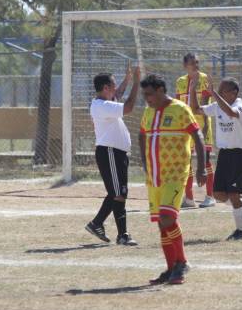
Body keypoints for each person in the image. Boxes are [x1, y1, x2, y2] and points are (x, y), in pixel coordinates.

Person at [138, 74, 206, 285]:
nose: (147, 98)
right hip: (155, 176)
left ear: (160, 90)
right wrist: (144, 163)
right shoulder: (148, 112)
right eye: (145, 95)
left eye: (149, 94)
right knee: (162, 223)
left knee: (168, 218)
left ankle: (182, 263)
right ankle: (171, 269)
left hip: (176, 175)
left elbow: (198, 136)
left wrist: (202, 167)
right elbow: (141, 135)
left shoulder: (180, 109)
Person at [189, 73, 242, 241]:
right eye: (218, 90)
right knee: (218, 194)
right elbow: (196, 110)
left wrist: (214, 94)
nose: (218, 92)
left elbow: (232, 113)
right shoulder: (218, 105)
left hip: (241, 154)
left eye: (222, 90)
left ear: (234, 92)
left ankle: (241, 231)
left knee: (233, 194)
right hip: (225, 154)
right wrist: (192, 90)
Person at [86, 66, 140, 245]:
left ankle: (97, 224)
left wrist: (128, 79)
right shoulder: (103, 106)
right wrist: (137, 82)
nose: (116, 89)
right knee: (118, 194)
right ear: (105, 88)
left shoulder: (105, 102)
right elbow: (129, 107)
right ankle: (122, 234)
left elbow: (119, 94)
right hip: (109, 152)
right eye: (113, 86)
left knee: (118, 192)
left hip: (116, 153)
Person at [175, 53, 216, 208]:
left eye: (197, 62)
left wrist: (205, 127)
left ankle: (210, 196)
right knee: (186, 161)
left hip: (201, 125)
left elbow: (205, 104)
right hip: (186, 127)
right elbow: (178, 104)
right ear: (185, 66)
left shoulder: (205, 79)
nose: (196, 65)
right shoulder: (180, 81)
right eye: (192, 63)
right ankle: (189, 198)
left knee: (205, 161)